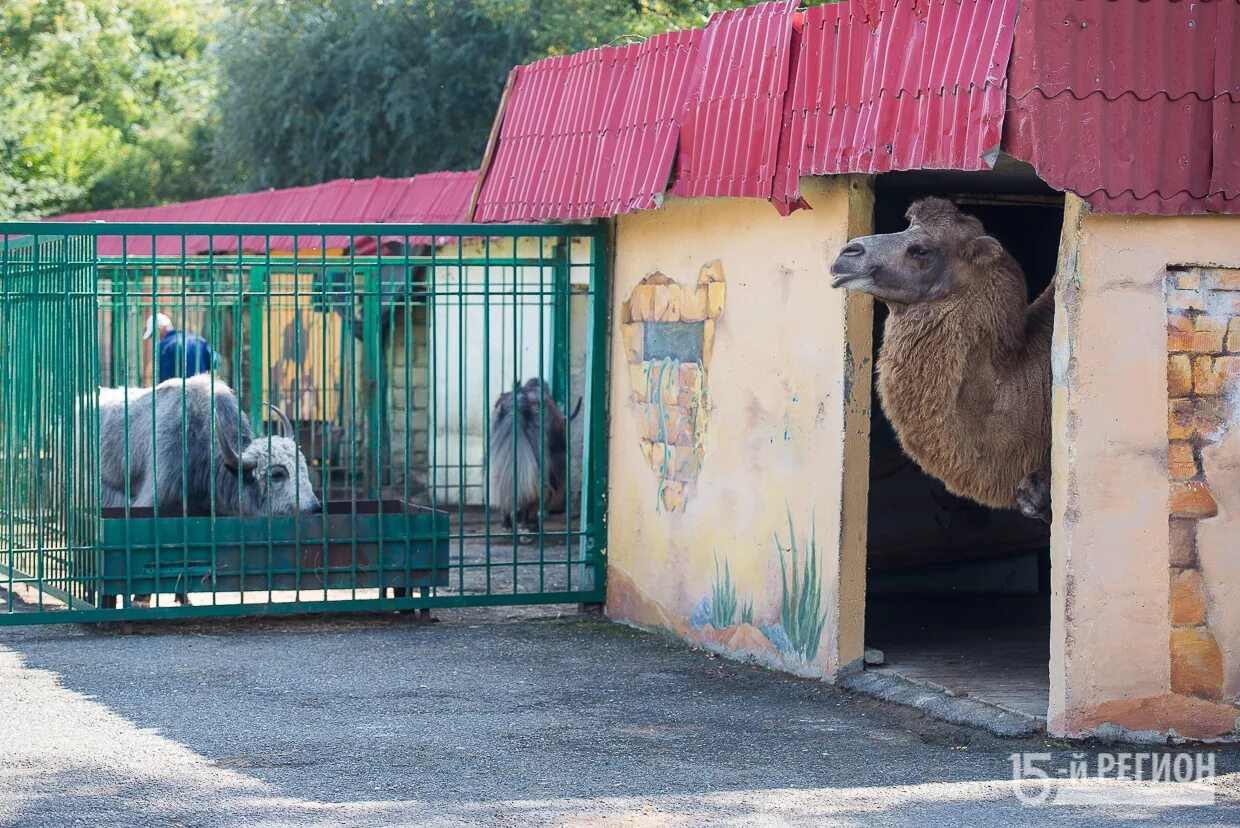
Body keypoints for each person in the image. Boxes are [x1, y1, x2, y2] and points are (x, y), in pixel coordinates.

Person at [143, 313, 214, 383]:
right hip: (201, 391)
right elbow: (215, 361)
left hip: (178, 393)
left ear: (160, 329)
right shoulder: (199, 340)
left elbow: (164, 379)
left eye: (153, 335)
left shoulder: (164, 347)